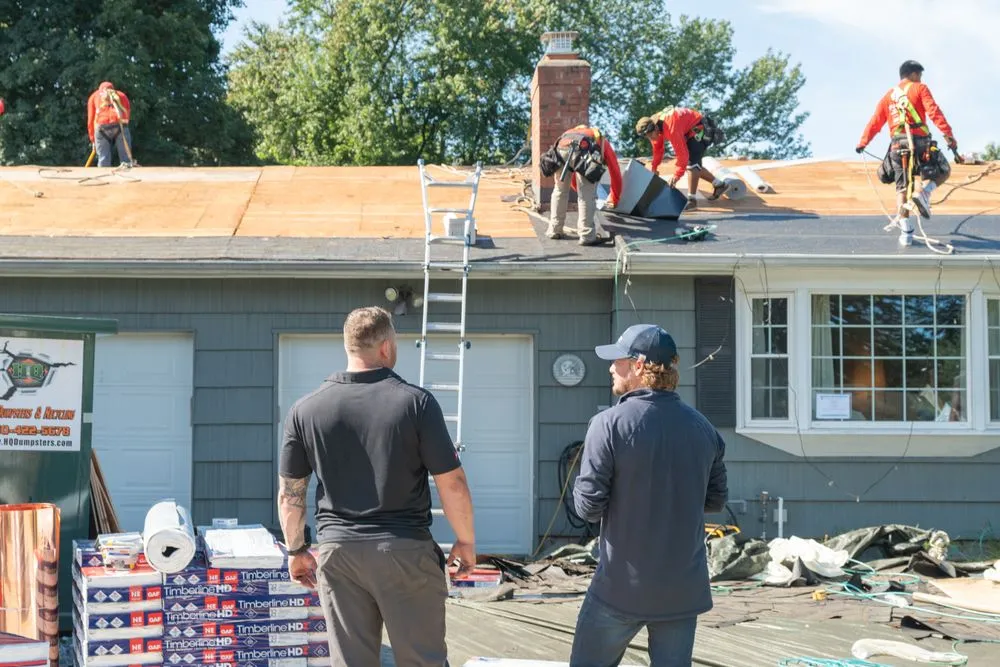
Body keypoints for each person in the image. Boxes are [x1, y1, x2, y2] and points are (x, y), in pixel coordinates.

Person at [277, 306, 476, 667]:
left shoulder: (305, 410)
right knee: (423, 661)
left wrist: (296, 551)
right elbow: (454, 484)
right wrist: (466, 540)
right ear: (386, 347)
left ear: (348, 346)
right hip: (405, 553)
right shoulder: (416, 403)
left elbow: (290, 495)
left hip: (339, 554)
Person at [569, 323, 729, 667]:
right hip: (683, 591)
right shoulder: (705, 429)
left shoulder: (608, 424)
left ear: (639, 366)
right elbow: (715, 501)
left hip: (619, 589)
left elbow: (587, 507)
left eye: (618, 361)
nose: (612, 367)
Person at [856, 60, 957, 246]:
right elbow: (934, 112)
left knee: (901, 188)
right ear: (913, 74)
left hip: (897, 145)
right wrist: (948, 134)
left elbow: (875, 122)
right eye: (919, 75)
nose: (920, 79)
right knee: (943, 170)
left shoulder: (888, 96)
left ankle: (906, 233)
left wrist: (862, 143)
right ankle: (924, 193)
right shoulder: (920, 88)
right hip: (920, 143)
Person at [635, 106, 729, 210]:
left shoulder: (671, 128)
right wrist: (654, 168)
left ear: (655, 128)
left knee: (691, 164)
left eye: (650, 135)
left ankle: (692, 201)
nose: (650, 138)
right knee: (694, 166)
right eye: (647, 136)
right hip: (688, 129)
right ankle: (719, 184)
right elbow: (658, 150)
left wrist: (676, 176)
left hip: (700, 128)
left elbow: (683, 156)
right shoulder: (653, 127)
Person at [544, 124, 621, 246]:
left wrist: (576, 188)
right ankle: (587, 235)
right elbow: (615, 171)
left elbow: (573, 172)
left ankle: (554, 230)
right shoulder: (601, 140)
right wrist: (615, 199)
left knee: (559, 190)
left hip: (560, 149)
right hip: (582, 151)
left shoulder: (569, 132)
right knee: (586, 196)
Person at [87, 81, 133, 167]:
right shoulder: (122, 95)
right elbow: (127, 115)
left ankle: (103, 179)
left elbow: (91, 120)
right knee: (126, 161)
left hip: (101, 128)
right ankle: (128, 178)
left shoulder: (94, 96)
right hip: (120, 126)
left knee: (103, 160)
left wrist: (93, 140)